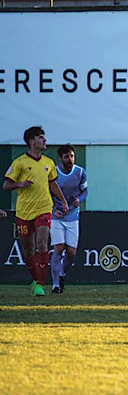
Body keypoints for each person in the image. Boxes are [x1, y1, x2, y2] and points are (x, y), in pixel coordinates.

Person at [3, 126, 68, 296]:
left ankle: (40, 283)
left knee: (42, 243)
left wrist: (63, 201)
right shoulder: (20, 163)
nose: (44, 140)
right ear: (32, 142)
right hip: (24, 212)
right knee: (29, 250)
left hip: (44, 208)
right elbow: (6, 185)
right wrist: (20, 184)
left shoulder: (48, 163)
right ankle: (34, 279)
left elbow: (53, 184)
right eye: (41, 137)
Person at [50, 144, 88, 293]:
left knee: (71, 252)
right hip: (57, 216)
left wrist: (80, 199)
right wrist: (54, 210)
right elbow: (47, 194)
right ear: (61, 158)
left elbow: (85, 191)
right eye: (67, 156)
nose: (70, 159)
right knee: (58, 247)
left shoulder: (80, 172)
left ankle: (62, 274)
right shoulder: (54, 173)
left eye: (72, 156)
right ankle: (55, 285)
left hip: (73, 216)